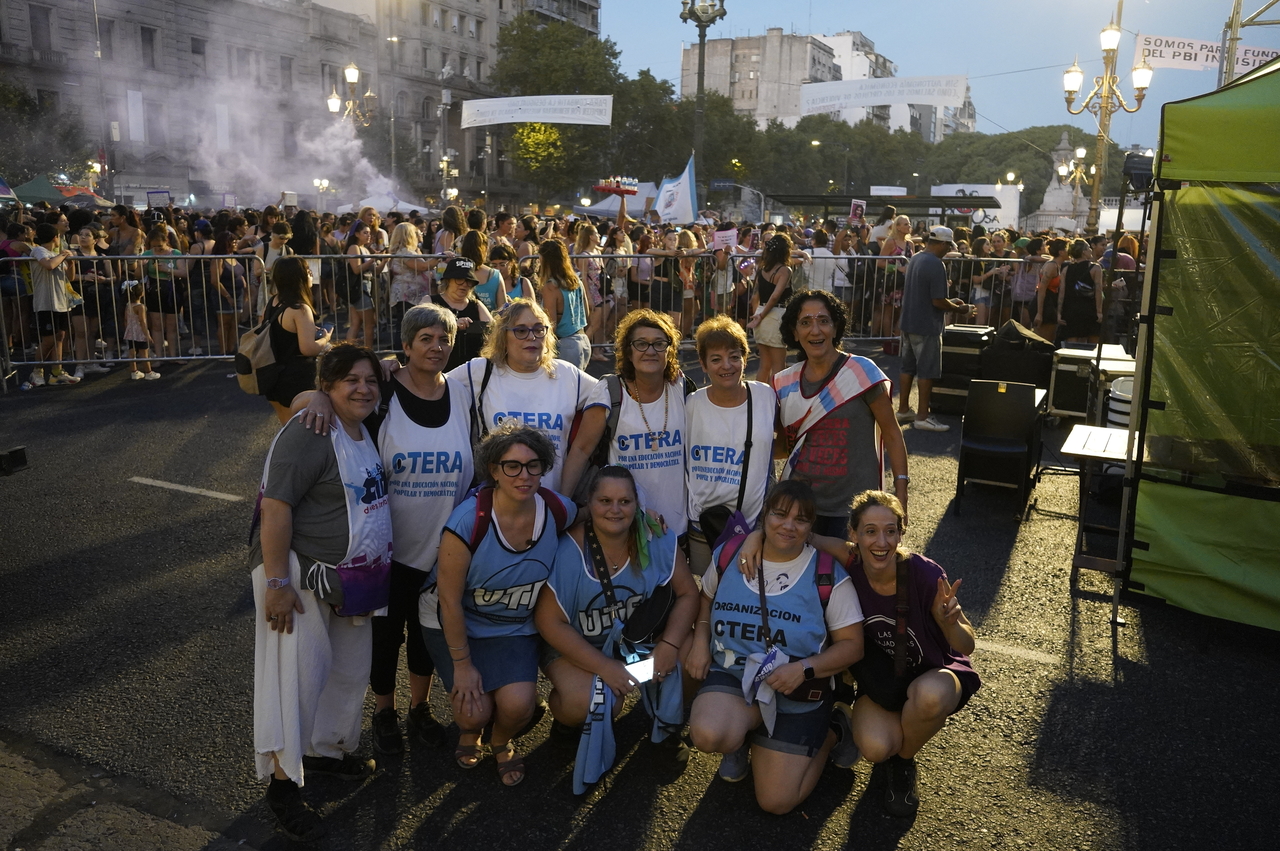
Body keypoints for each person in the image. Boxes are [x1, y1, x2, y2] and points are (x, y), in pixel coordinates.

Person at [296, 305, 473, 757]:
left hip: (443, 545)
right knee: (385, 635)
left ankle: (419, 708)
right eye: (426, 338)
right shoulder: (384, 392)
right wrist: (319, 397)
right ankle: (384, 711)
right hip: (387, 546)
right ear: (406, 345)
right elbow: (312, 403)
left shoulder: (462, 394)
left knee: (426, 631)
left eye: (444, 339)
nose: (436, 347)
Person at [250, 343, 390, 842]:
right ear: (327, 385)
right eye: (350, 380)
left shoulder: (361, 425)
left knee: (347, 671)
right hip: (300, 577)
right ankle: (282, 786)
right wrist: (277, 584)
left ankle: (324, 751)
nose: (363, 389)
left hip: (349, 580)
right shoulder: (311, 430)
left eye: (370, 380)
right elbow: (276, 507)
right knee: (297, 679)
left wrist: (332, 389)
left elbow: (396, 367)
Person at [685, 480, 864, 813]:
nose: (789, 525)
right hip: (735, 676)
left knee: (776, 802)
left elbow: (853, 646)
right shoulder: (731, 554)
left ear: (811, 527)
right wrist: (699, 639)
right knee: (709, 734)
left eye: (801, 519)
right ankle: (741, 735)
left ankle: (833, 731)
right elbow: (706, 598)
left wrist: (804, 668)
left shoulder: (827, 574)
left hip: (796, 690)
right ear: (765, 515)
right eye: (780, 514)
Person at [808, 490, 978, 818]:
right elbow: (804, 535)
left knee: (928, 698)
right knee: (874, 748)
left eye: (890, 531)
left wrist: (950, 623)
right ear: (854, 534)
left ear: (901, 533)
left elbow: (966, 645)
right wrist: (752, 541)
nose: (881, 542)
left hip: (935, 674)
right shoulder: (850, 560)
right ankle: (902, 732)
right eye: (870, 531)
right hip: (885, 680)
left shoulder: (924, 574)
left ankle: (904, 762)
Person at [430, 421, 577, 786]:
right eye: (512, 465)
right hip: (460, 622)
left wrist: (642, 515)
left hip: (514, 627)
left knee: (518, 705)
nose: (523, 475)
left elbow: (596, 517)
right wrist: (462, 665)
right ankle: (472, 730)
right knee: (471, 712)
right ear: (493, 470)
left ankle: (501, 739)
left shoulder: (557, 509)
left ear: (543, 468)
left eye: (533, 465)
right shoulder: (468, 521)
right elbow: (448, 601)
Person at [535, 466, 698, 738]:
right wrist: (605, 667)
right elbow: (548, 622)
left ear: (637, 504)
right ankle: (567, 721)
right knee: (593, 702)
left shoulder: (655, 537)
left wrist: (669, 645)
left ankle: (666, 717)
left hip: (635, 641)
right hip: (579, 645)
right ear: (589, 503)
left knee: (692, 654)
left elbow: (688, 594)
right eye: (605, 501)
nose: (615, 510)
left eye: (625, 501)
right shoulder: (568, 549)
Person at [774, 289, 909, 536]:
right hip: (801, 508)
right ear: (794, 332)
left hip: (855, 509)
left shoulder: (861, 372)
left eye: (823, 321)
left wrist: (901, 494)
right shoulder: (784, 383)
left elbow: (892, 433)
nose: (815, 330)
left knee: (852, 563)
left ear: (835, 328)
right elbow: (784, 447)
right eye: (805, 322)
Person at [448, 299, 600, 494]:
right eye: (521, 330)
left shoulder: (568, 375)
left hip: (551, 503)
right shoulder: (481, 371)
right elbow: (433, 385)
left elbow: (612, 393)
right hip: (498, 504)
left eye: (539, 329)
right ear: (503, 336)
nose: (531, 337)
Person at [684, 315, 776, 576]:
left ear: (745, 358)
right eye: (716, 359)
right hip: (703, 524)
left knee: (747, 590)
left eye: (734, 357)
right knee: (706, 590)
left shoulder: (766, 396)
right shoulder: (691, 404)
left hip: (752, 526)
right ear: (703, 364)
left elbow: (781, 446)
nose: (727, 366)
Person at [896, 226, 977, 433]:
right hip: (926, 325)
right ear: (942, 244)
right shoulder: (936, 264)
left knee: (907, 368)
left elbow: (928, 295)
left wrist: (951, 303)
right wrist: (961, 309)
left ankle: (903, 409)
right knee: (926, 371)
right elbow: (938, 301)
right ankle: (922, 417)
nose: (948, 250)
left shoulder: (916, 258)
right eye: (948, 246)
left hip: (908, 321)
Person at [262, 257, 332, 423]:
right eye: (307, 271)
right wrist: (325, 339)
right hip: (295, 379)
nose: (311, 274)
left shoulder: (273, 302)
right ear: (297, 277)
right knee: (301, 428)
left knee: (286, 425)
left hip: (273, 375)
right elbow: (308, 348)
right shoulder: (300, 309)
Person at [24, 222, 80, 388]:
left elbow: (70, 277)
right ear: (55, 238)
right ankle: (37, 371)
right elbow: (49, 265)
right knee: (48, 340)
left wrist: (71, 262)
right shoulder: (39, 250)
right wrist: (63, 254)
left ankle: (57, 372)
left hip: (61, 302)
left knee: (60, 337)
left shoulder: (56, 255)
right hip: (46, 302)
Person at [746, 233, 795, 386]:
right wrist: (761, 316)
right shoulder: (785, 270)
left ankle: (759, 396)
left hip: (761, 314)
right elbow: (775, 296)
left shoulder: (762, 269)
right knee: (778, 366)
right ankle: (776, 397)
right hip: (775, 317)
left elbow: (755, 297)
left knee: (764, 365)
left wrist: (758, 315)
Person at [68, 224, 114, 380]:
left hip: (97, 296)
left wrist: (104, 279)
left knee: (93, 332)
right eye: (81, 234)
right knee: (81, 332)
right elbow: (69, 276)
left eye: (87, 235)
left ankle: (91, 361)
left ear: (95, 240)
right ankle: (80, 365)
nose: (83, 237)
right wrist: (84, 277)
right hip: (79, 296)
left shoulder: (102, 257)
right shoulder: (74, 255)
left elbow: (113, 277)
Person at [538, 239, 591, 370]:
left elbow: (551, 324)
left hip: (565, 345)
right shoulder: (576, 281)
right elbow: (586, 312)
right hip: (583, 341)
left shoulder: (551, 286)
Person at [434, 257, 492, 372]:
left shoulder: (477, 305)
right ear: (448, 280)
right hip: (439, 370)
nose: (464, 284)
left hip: (472, 372)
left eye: (469, 281)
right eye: (459, 279)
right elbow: (419, 328)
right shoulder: (430, 302)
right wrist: (452, 325)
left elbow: (492, 331)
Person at [139, 224, 185, 363]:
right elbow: (137, 275)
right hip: (154, 289)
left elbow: (184, 272)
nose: (157, 249)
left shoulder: (175, 253)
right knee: (157, 324)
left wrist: (167, 269)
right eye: (154, 246)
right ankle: (158, 357)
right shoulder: (147, 254)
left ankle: (173, 355)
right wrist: (142, 265)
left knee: (172, 325)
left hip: (172, 289)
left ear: (166, 241)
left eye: (160, 246)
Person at [387, 221, 435, 348]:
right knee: (405, 325)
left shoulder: (405, 251)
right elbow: (422, 266)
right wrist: (439, 257)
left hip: (409, 294)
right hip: (407, 295)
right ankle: (402, 352)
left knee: (405, 324)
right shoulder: (405, 252)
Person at [1058, 238, 1105, 344]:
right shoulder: (1095, 268)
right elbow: (1098, 291)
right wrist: (1099, 311)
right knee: (1093, 342)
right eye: (1088, 248)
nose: (1090, 250)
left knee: (1071, 343)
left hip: (1071, 309)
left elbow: (1062, 292)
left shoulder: (1066, 269)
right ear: (1084, 252)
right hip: (1089, 309)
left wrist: (1059, 313)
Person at [343, 221, 382, 349]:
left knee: (356, 324)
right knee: (369, 324)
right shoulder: (354, 247)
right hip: (359, 288)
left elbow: (376, 270)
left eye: (369, 233)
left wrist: (384, 260)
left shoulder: (365, 249)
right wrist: (373, 259)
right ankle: (368, 351)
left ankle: (349, 352)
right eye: (365, 233)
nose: (368, 235)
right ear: (357, 234)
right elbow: (356, 269)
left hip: (364, 286)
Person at [460, 228, 506, 312]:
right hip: (490, 318)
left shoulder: (457, 272)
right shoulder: (495, 275)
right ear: (485, 248)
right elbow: (502, 308)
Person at [121, 280, 158, 380]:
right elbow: (142, 321)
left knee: (132, 352)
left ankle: (134, 371)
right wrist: (147, 334)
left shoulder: (128, 305)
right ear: (141, 293)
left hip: (130, 331)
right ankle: (149, 372)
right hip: (140, 332)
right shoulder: (140, 307)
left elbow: (125, 319)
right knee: (144, 353)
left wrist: (127, 329)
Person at [1034, 237, 1068, 343]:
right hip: (1045, 304)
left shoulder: (1056, 264)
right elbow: (1041, 289)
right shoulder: (1052, 266)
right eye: (1068, 249)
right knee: (1044, 341)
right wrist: (1039, 313)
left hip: (1050, 302)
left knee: (1049, 339)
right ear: (1061, 252)